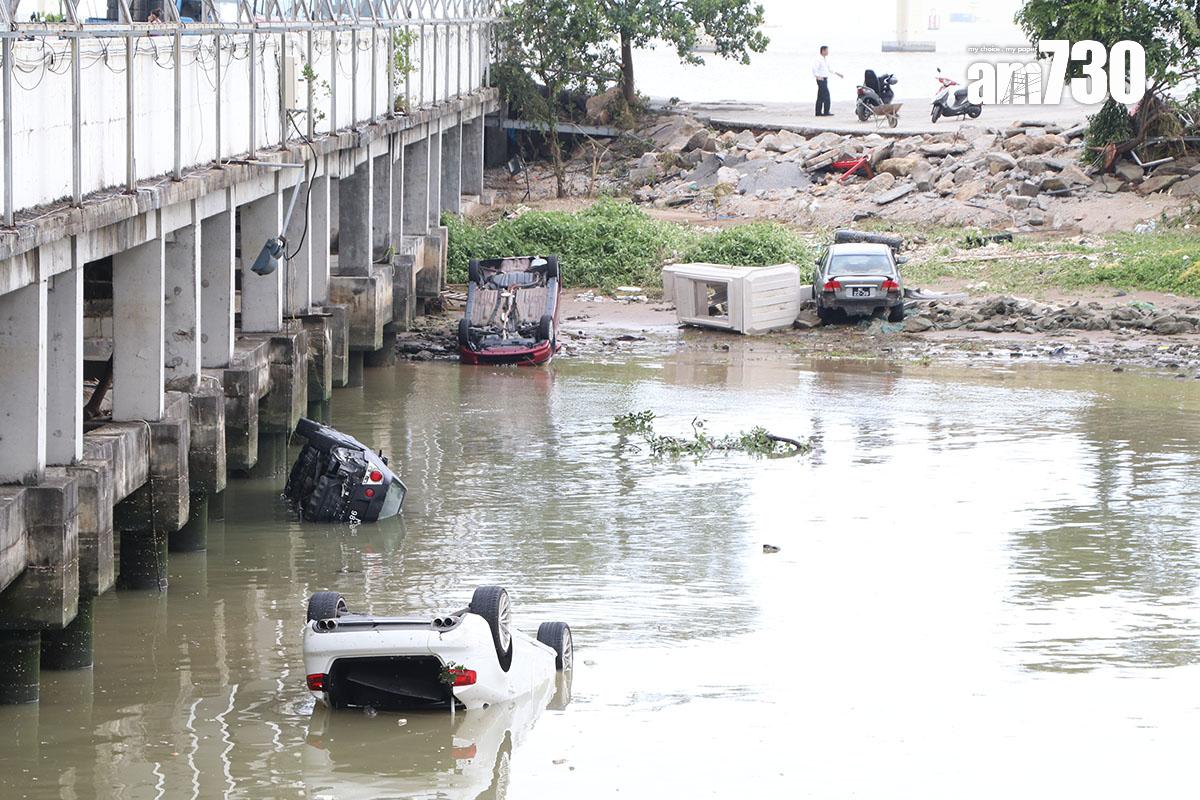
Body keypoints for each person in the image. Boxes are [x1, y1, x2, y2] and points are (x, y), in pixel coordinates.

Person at [812, 45, 842, 117]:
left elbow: (829, 69)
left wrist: (837, 74)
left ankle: (818, 112)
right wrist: (817, 76)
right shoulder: (818, 59)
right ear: (823, 51)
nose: (828, 52)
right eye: (826, 50)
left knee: (820, 96)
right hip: (821, 79)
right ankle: (826, 111)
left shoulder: (825, 59)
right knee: (826, 95)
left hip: (825, 79)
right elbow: (814, 68)